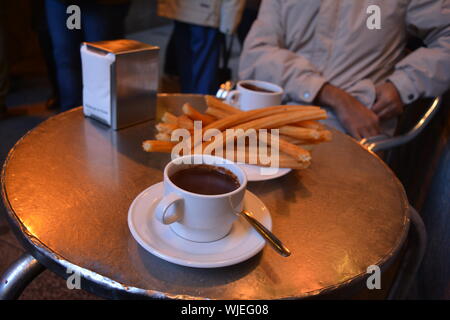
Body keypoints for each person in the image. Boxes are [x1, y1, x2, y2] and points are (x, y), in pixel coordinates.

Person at [239, 0, 450, 139]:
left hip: (355, 136)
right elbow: (255, 53)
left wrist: (404, 85)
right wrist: (332, 95)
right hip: (276, 124)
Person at [45, 0, 130, 111]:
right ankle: (70, 118)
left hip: (103, 4)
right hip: (62, 3)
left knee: (102, 62)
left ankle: (103, 118)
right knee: (66, 60)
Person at [158, 0, 245, 95]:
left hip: (183, 10)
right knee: (202, 76)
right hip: (206, 13)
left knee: (188, 72)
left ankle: (189, 104)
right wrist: (229, 23)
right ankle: (200, 105)